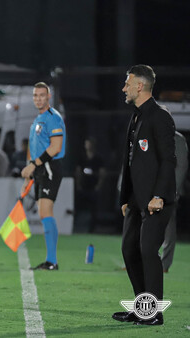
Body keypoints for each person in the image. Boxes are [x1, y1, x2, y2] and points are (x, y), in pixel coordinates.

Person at [112, 65, 176, 326]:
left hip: (155, 201)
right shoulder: (136, 116)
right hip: (137, 200)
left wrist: (159, 195)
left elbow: (169, 161)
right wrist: (125, 198)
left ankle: (154, 313)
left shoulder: (160, 117)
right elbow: (130, 162)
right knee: (129, 249)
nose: (124, 88)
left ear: (140, 86)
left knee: (148, 251)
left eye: (127, 84)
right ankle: (142, 308)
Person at [20, 82, 66, 271]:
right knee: (43, 212)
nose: (38, 98)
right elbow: (32, 150)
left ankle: (52, 261)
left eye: (42, 95)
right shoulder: (37, 120)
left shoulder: (53, 118)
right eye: (35, 95)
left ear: (48, 97)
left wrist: (33, 165)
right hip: (39, 169)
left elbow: (55, 148)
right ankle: (50, 260)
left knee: (45, 211)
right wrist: (27, 177)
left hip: (50, 167)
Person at [161, 131, 188, 273]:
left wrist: (173, 190)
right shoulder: (154, 134)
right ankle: (141, 262)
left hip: (169, 190)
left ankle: (164, 264)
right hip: (151, 188)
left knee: (168, 227)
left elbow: (182, 166)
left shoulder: (178, 139)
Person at [74, 137, 105, 232]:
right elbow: (78, 171)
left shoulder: (98, 158)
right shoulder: (82, 157)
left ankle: (92, 228)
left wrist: (98, 185)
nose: (88, 146)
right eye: (86, 144)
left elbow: (102, 173)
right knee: (79, 207)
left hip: (93, 186)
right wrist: (78, 184)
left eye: (90, 143)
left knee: (93, 209)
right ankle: (77, 227)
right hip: (83, 186)